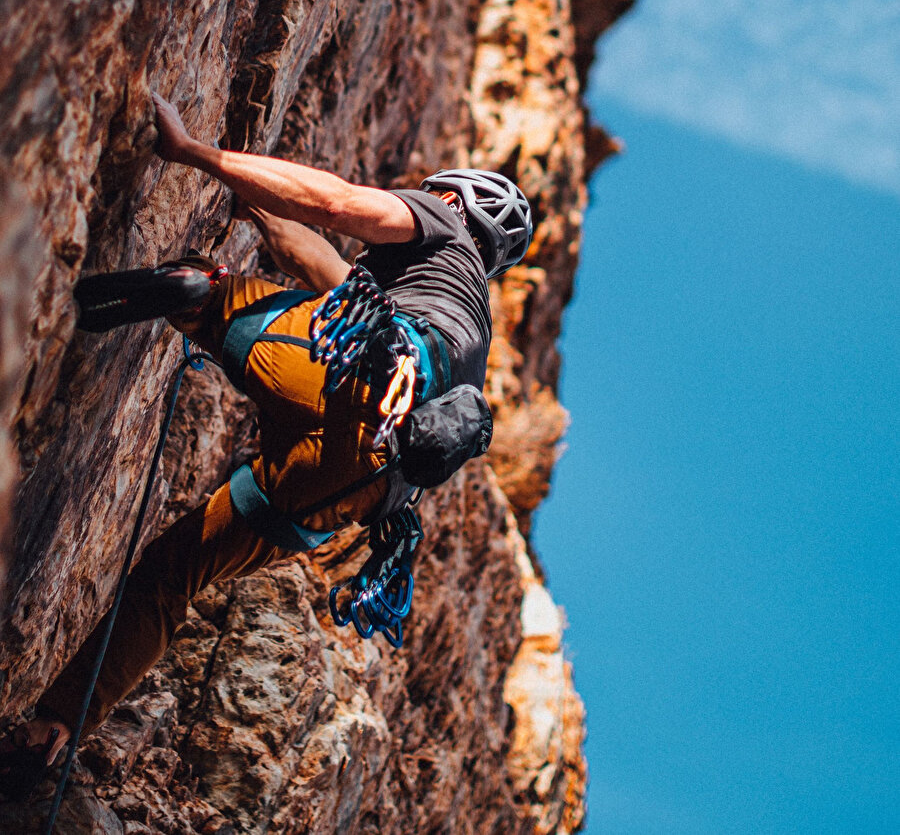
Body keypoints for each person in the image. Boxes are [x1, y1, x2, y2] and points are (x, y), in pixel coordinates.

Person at [0, 93, 533, 796]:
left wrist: (195, 154)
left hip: (346, 381)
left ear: (456, 202)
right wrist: (255, 205)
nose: (424, 195)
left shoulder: (442, 230)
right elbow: (320, 265)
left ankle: (143, 297)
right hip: (352, 488)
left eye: (435, 190)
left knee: (205, 292)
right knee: (172, 573)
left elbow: (338, 206)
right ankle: (54, 733)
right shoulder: (460, 322)